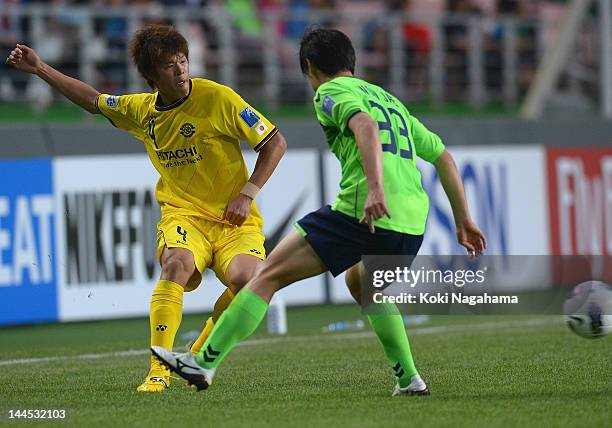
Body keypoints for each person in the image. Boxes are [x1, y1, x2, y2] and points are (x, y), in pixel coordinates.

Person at [153, 28, 486, 396]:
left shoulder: (330, 91)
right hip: (411, 220)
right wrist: (463, 220)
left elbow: (365, 126)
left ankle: (203, 363)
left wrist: (375, 187)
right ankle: (409, 379)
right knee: (364, 284)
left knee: (266, 277)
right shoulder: (390, 99)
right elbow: (443, 157)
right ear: (351, 61)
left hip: (364, 210)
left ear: (310, 67)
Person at [5, 24, 287, 392]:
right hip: (183, 216)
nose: (181, 70)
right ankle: (158, 370)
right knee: (176, 265)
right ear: (153, 76)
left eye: (183, 61)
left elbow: (275, 142)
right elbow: (93, 100)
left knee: (250, 280)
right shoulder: (141, 111)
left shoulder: (219, 98)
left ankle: (197, 355)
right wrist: (40, 68)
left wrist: (248, 193)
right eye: (171, 65)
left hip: (233, 219)